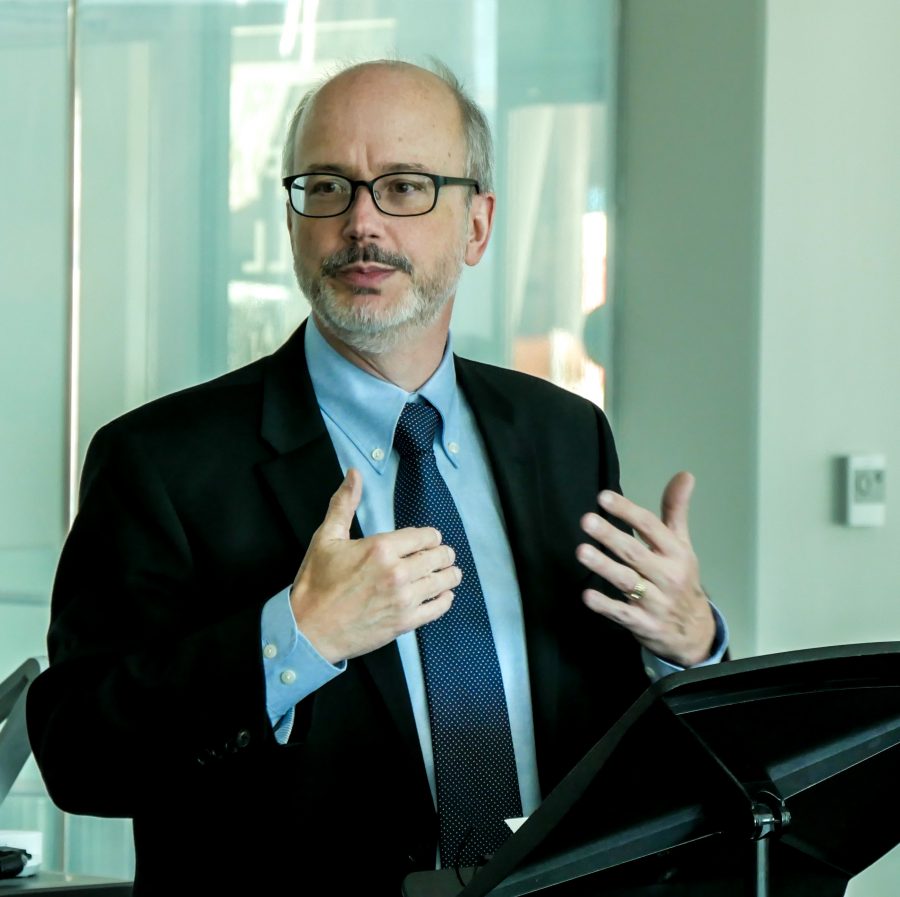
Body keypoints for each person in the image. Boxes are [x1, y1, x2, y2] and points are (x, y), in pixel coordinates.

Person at [27, 59, 725, 895]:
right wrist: (294, 637)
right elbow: (78, 755)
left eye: (404, 187)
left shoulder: (565, 434)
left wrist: (687, 647)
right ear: (294, 222)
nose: (362, 221)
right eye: (328, 185)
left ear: (476, 225)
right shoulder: (162, 460)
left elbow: (608, 725)